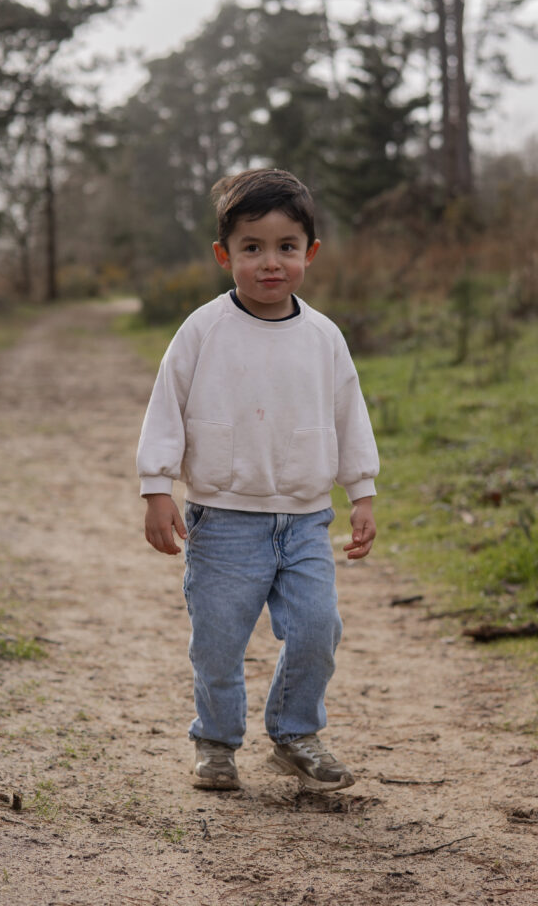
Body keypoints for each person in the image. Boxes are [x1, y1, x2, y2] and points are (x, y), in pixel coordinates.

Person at [136, 167, 379, 793]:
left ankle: (295, 731)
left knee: (319, 629)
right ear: (225, 255)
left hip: (303, 520)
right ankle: (215, 741)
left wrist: (362, 493)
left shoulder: (324, 338)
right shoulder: (202, 330)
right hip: (222, 521)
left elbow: (350, 415)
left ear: (310, 252)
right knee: (217, 645)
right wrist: (157, 486)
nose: (271, 263)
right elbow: (166, 406)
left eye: (286, 248)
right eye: (253, 248)